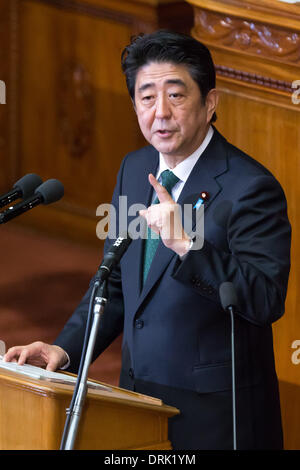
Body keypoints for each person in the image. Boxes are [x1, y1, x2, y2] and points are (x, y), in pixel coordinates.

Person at [4, 31, 291, 450]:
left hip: (215, 415)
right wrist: (63, 351)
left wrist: (187, 245)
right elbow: (115, 283)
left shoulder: (251, 187)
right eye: (146, 98)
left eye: (175, 96)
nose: (160, 113)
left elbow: (265, 299)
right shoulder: (135, 169)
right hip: (137, 401)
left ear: (210, 103)